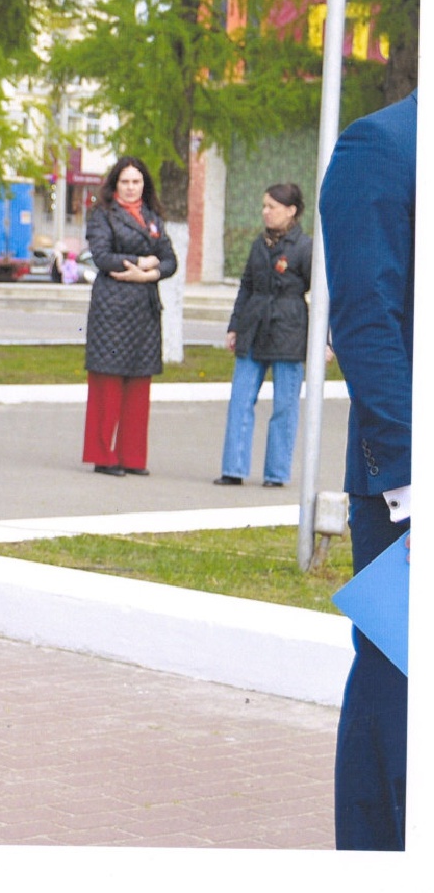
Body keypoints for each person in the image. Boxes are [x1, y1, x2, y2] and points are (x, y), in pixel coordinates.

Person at [321, 91, 414, 851]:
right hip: (408, 491)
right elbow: (363, 319)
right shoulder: (380, 147)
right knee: (401, 697)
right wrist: (417, 479)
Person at [81, 156, 177, 477]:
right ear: (115, 184)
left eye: (137, 182)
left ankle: (133, 458)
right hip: (112, 310)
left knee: (139, 385)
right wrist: (142, 260)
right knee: (108, 384)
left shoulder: (153, 218)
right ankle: (103, 456)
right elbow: (103, 256)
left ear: (144, 185)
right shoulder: (102, 216)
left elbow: (170, 260)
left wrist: (148, 274)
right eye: (125, 182)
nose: (131, 187)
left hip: (144, 310)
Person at [214, 182, 312, 488]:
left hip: (289, 331)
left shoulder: (305, 247)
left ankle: (276, 473)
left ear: (291, 211)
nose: (265, 212)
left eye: (271, 206)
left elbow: (322, 294)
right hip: (253, 327)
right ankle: (234, 468)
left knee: (284, 406)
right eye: (264, 206)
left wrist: (324, 339)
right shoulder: (260, 243)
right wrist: (234, 325)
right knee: (240, 400)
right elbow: (246, 285)